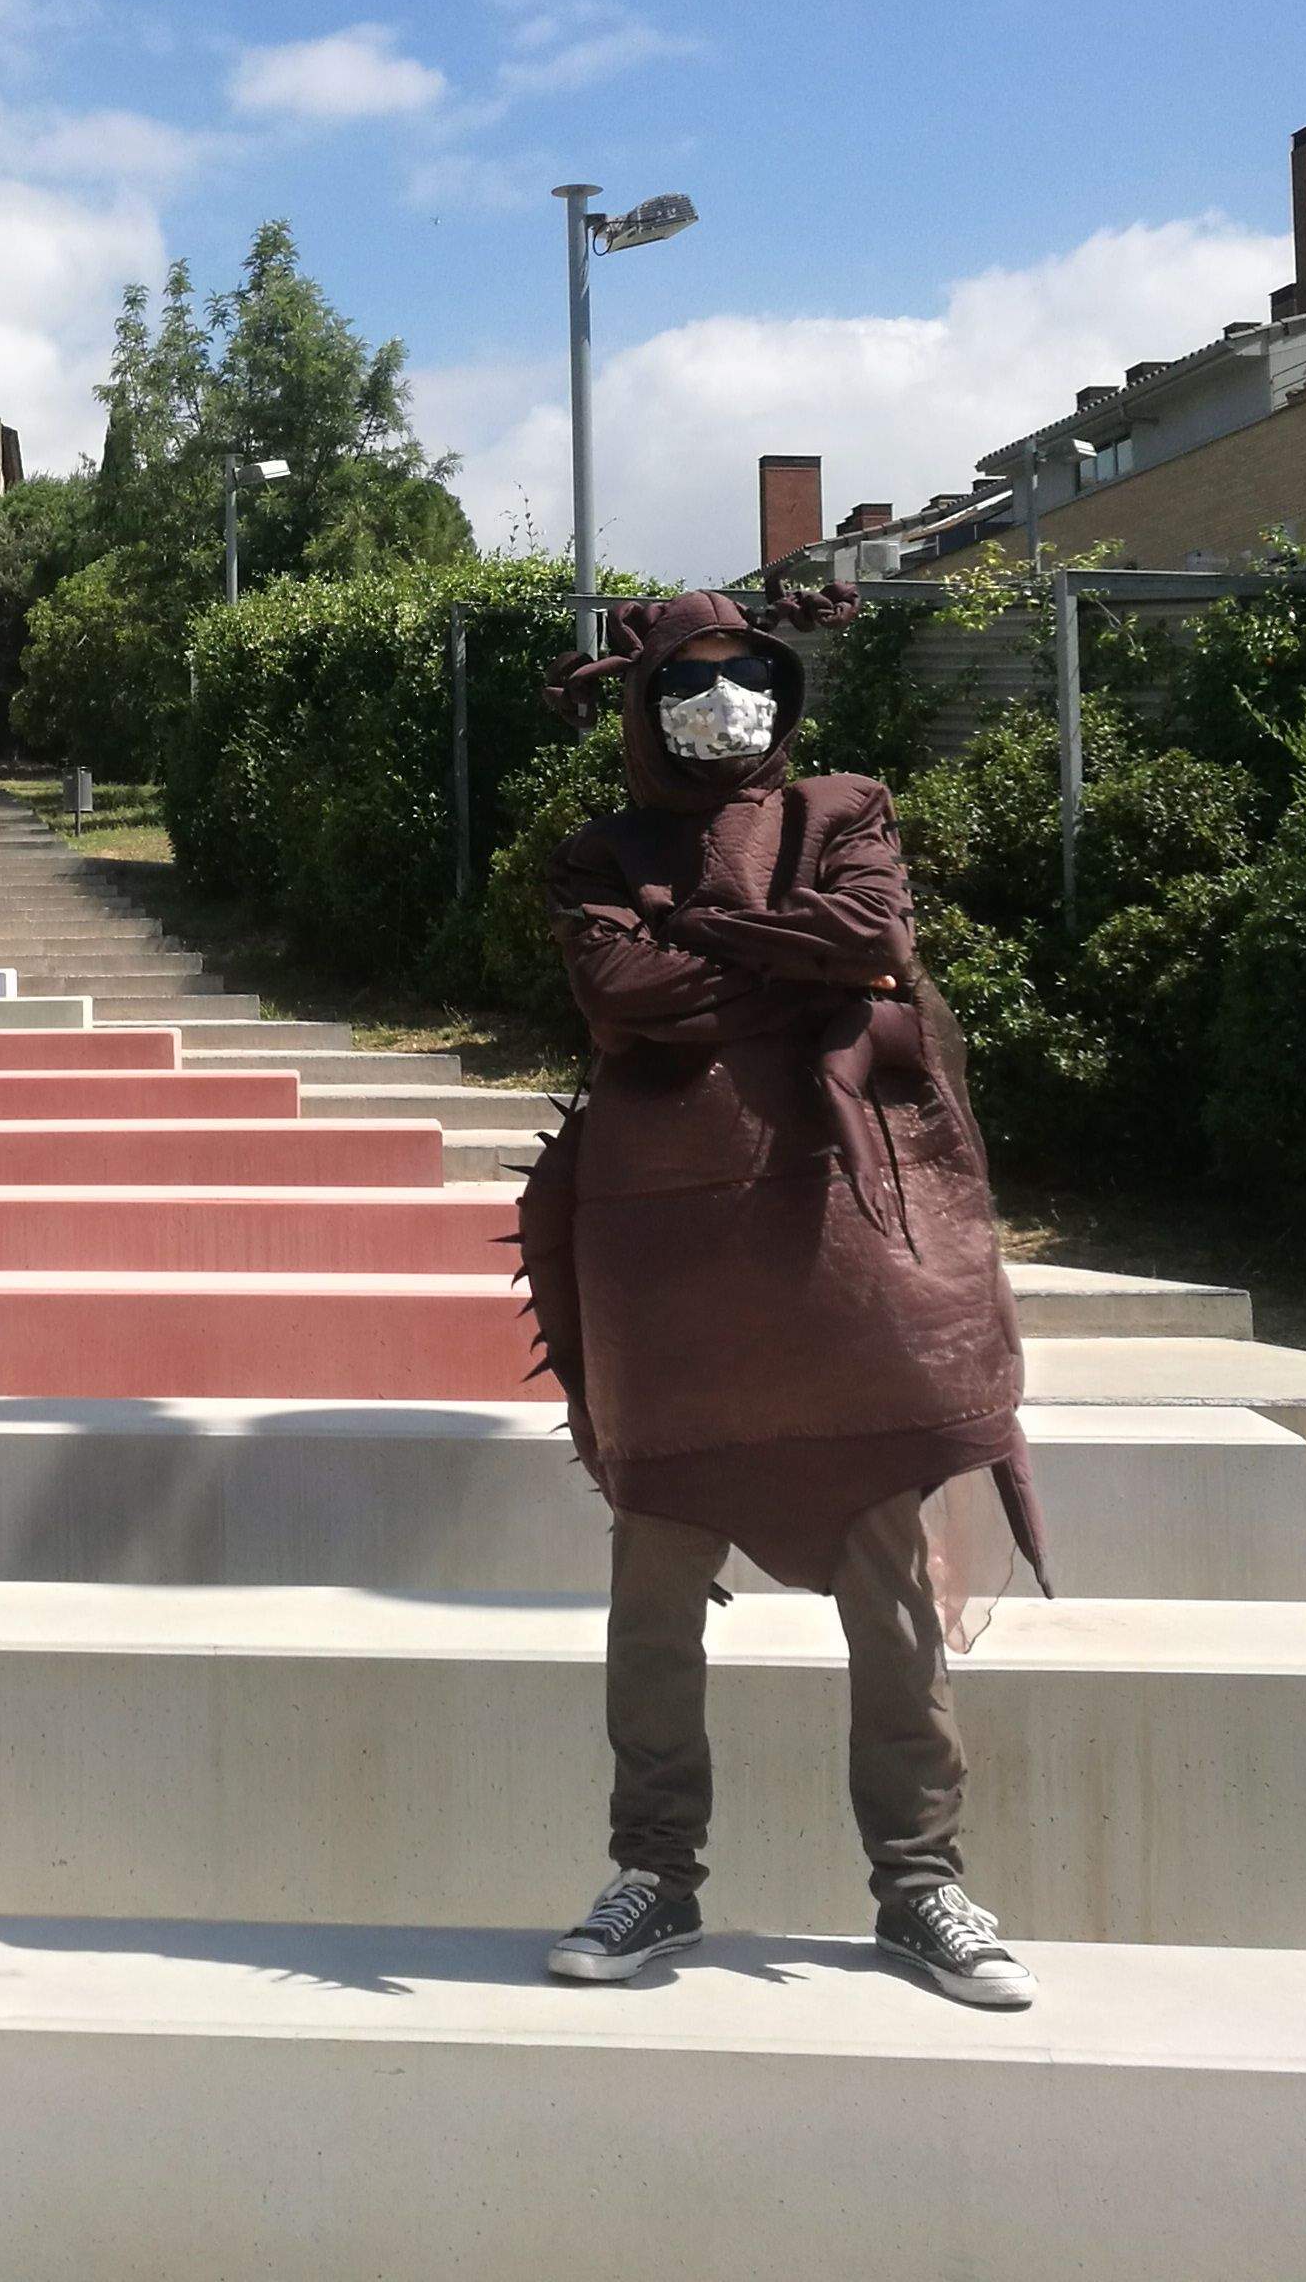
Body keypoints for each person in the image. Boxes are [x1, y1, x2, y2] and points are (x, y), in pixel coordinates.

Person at [520, 589, 1045, 2011]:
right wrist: (782, 953)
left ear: (781, 680)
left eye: (747, 672)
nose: (726, 699)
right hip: (667, 1258)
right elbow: (630, 995)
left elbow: (872, 936)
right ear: (644, 704)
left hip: (841, 1244)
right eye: (690, 681)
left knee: (890, 1580)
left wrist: (699, 928)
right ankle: (654, 1873)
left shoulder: (844, 807)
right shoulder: (596, 849)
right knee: (656, 1579)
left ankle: (921, 1883)